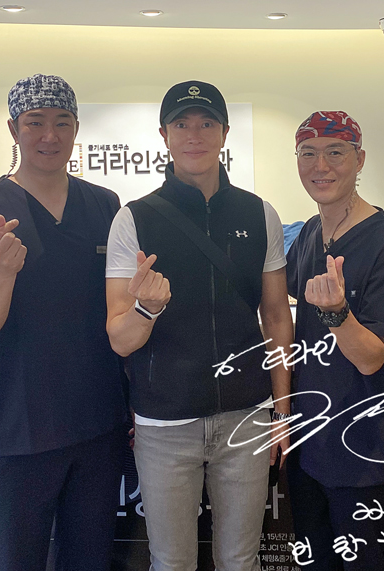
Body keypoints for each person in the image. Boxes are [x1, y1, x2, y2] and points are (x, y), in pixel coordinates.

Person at [104, 80, 293, 571]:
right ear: (164, 135)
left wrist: (282, 410)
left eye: (207, 123)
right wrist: (147, 309)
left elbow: (276, 315)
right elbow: (119, 338)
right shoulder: (134, 219)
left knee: (241, 560)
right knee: (171, 563)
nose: (195, 135)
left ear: (225, 133)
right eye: (182, 123)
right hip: (164, 422)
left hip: (248, 415)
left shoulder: (259, 213)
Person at [0, 74, 126, 571]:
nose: (50, 135)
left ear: (76, 128)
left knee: (90, 559)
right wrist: (1, 271)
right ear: (13, 129)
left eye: (62, 122)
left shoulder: (105, 206)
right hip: (19, 428)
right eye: (35, 122)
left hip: (97, 425)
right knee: (17, 560)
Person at [285, 111, 384, 571]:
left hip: (365, 453)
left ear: (359, 159)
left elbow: (371, 358)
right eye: (308, 153)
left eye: (335, 152)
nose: (320, 166)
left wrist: (337, 313)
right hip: (310, 446)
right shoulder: (310, 233)